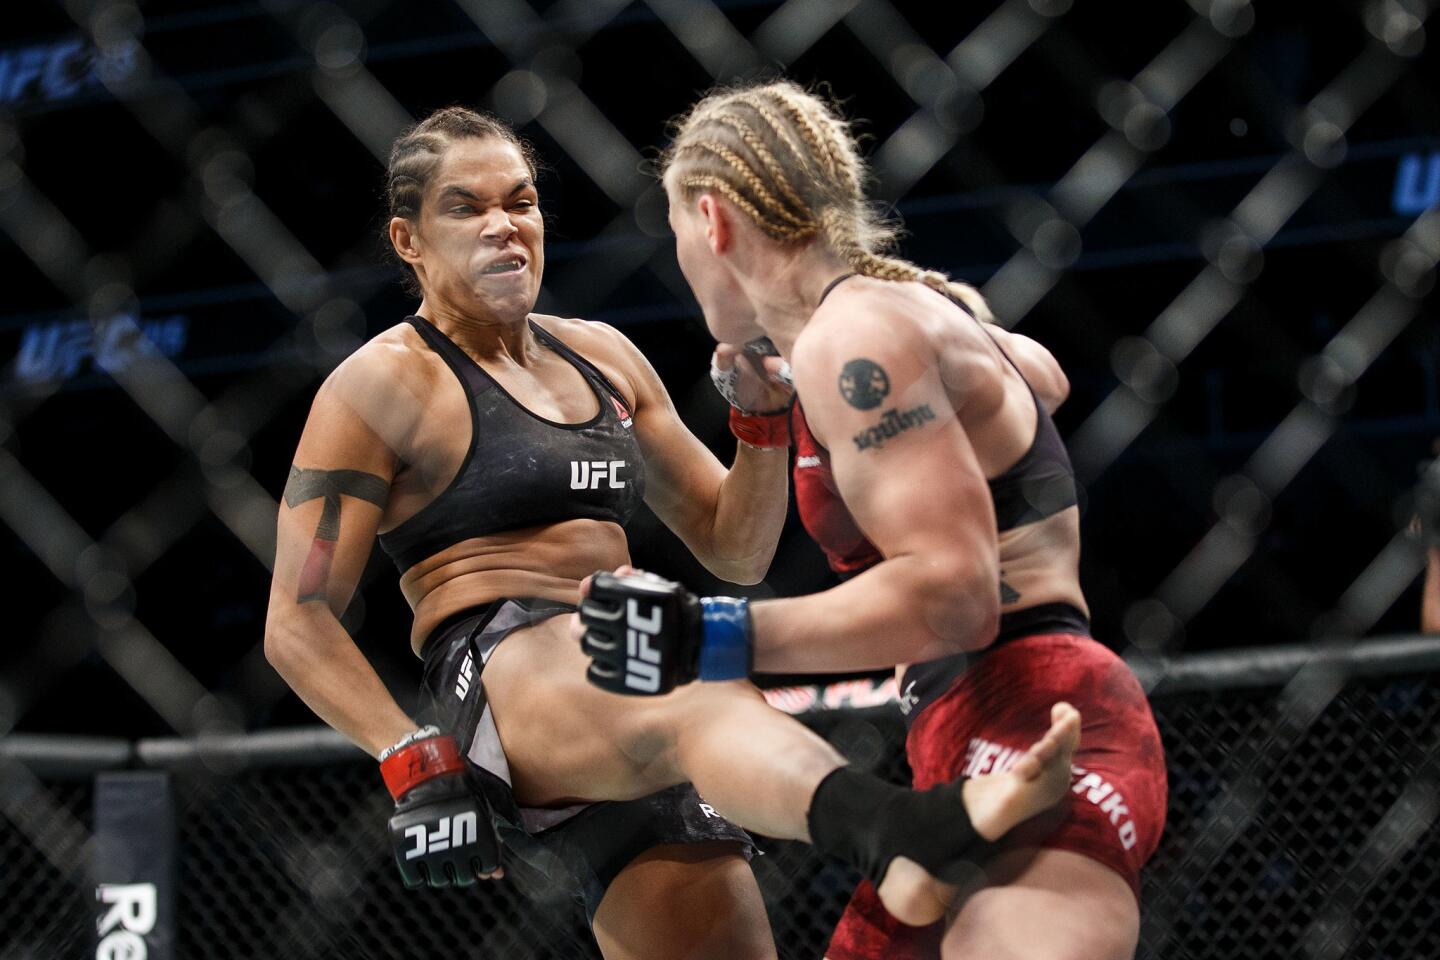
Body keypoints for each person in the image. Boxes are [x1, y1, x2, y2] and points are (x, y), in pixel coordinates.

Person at [263, 105, 1081, 959]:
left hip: (629, 664)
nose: (505, 225)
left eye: (522, 201)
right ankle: (903, 828)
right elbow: (297, 619)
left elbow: (735, 547)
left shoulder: (602, 356)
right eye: (465, 208)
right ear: (409, 241)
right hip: (502, 669)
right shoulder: (381, 384)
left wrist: (761, 426)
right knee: (687, 674)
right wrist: (407, 753)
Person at [576, 80, 1168, 959]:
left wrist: (705, 638)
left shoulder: (852, 338)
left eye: (674, 232)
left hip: (1039, 719)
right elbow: (1043, 376)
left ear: (712, 221)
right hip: (963, 736)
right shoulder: (874, 326)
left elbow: (956, 595)